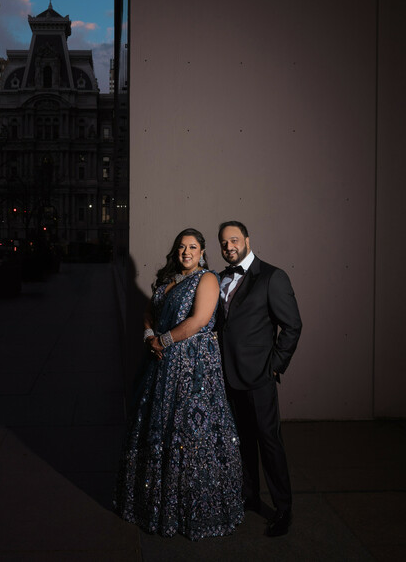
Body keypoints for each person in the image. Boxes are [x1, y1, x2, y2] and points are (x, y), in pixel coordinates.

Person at [114, 227, 244, 539]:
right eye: (182, 247)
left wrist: (163, 341)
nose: (186, 252)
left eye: (192, 247)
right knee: (157, 428)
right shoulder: (167, 280)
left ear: (202, 252)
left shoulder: (207, 278)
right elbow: (149, 311)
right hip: (159, 365)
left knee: (189, 431)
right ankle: (154, 505)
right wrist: (149, 336)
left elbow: (199, 320)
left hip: (193, 368)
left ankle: (195, 511)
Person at [217, 220, 302, 538]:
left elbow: (293, 325)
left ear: (248, 240)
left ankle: (283, 508)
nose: (229, 247)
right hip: (229, 376)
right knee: (242, 442)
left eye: (234, 240)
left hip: (259, 377)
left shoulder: (272, 277)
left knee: (269, 443)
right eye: (224, 243)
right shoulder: (220, 278)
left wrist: (275, 367)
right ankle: (249, 497)